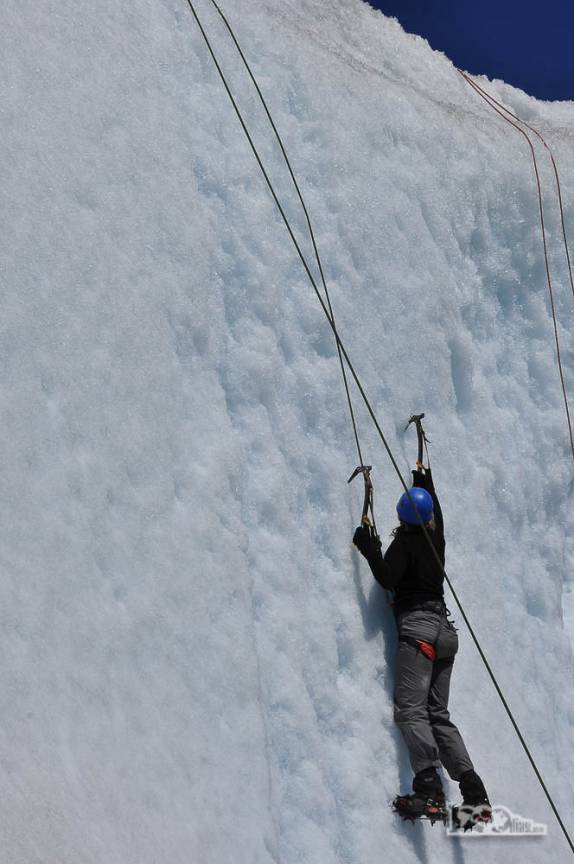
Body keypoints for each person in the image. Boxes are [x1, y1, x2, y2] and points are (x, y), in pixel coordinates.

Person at [353, 465, 491, 824]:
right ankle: (474, 793)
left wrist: (369, 546)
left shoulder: (405, 543)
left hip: (419, 630)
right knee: (437, 714)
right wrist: (425, 481)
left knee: (411, 710)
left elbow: (387, 577)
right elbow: (436, 510)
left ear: (402, 517)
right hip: (446, 634)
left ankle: (429, 787)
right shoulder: (435, 537)